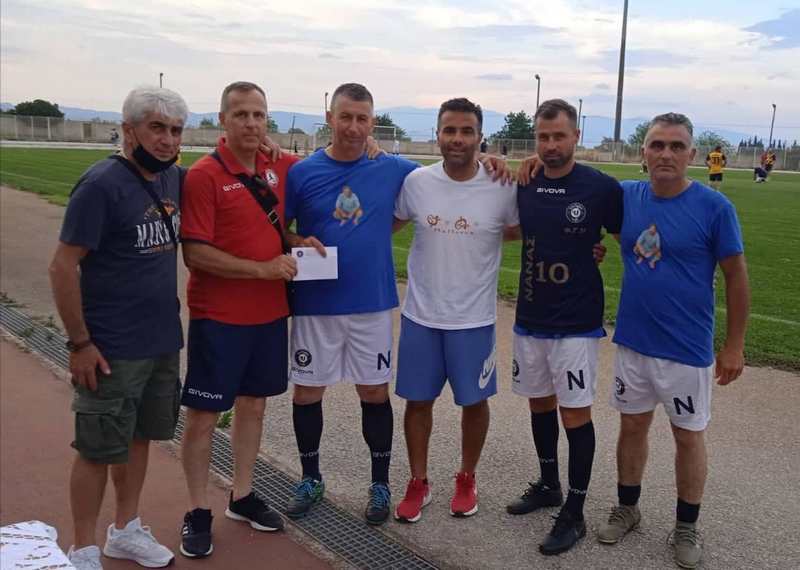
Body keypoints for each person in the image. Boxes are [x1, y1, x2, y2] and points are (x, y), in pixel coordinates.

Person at [283, 83, 512, 526]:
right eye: (345, 117)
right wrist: (295, 240)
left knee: (376, 393)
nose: (353, 127)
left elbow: (457, 170)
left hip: (374, 302)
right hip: (317, 300)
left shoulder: (396, 170)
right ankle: (312, 478)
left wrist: (488, 159)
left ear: (372, 123)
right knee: (308, 391)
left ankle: (383, 484)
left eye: (361, 119)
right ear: (329, 118)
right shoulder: (303, 172)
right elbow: (281, 228)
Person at [597, 113, 749, 570]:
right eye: (657, 145)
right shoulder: (625, 196)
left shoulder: (714, 207)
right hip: (633, 341)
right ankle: (628, 508)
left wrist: (734, 344)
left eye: (676, 146)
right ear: (643, 152)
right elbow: (573, 191)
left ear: (692, 154)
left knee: (687, 436)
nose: (666, 153)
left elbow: (736, 276)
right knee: (632, 427)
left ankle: (686, 525)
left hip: (686, 349)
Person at [49, 86, 188, 570]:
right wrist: (80, 343)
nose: (167, 140)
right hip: (111, 346)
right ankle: (83, 548)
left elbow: (227, 172)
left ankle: (125, 530)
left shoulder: (173, 178)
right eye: (157, 128)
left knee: (139, 438)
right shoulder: (101, 185)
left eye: (175, 130)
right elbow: (62, 266)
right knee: (96, 448)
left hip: (160, 340)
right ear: (129, 130)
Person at [178, 81, 313, 558]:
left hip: (269, 314)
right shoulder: (204, 175)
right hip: (219, 316)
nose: (251, 123)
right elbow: (195, 253)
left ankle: (242, 493)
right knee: (203, 415)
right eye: (241, 115)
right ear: (223, 120)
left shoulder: (280, 165)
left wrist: (293, 240)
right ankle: (197, 509)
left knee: (253, 406)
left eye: (259, 114)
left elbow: (331, 163)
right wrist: (262, 269)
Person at [505, 99, 623, 556]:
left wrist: (603, 250)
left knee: (574, 414)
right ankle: (549, 484)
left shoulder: (600, 188)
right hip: (531, 316)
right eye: (543, 137)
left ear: (576, 136)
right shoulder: (526, 181)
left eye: (559, 136)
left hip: (576, 321)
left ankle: (574, 512)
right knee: (539, 403)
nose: (551, 145)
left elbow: (625, 238)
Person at [392, 98, 519, 524]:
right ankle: (419, 481)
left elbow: (522, 229)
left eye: (467, 131)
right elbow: (386, 223)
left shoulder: (502, 185)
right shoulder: (416, 182)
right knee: (418, 402)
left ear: (480, 137)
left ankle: (467, 477)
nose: (458, 139)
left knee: (474, 402)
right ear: (438, 134)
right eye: (450, 130)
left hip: (474, 320)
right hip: (421, 316)